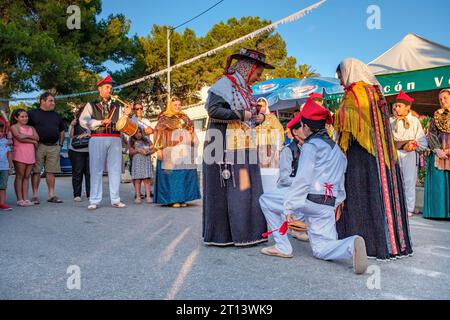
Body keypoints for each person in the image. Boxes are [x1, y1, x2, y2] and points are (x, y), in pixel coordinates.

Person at [260, 98, 368, 274]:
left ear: (305, 127)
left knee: (265, 199)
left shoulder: (311, 146)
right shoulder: (338, 151)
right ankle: (351, 244)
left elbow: (303, 180)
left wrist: (289, 208)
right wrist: (336, 203)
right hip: (326, 204)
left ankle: (283, 246)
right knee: (322, 249)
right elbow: (340, 183)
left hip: (308, 200)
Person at [334, 58, 413, 260]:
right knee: (380, 196)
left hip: (361, 155)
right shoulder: (375, 91)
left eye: (341, 77)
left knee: (360, 196)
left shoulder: (356, 91)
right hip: (382, 156)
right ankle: (390, 244)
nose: (341, 82)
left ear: (348, 72)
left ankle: (365, 243)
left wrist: (331, 116)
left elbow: (349, 119)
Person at [202, 48, 272, 247]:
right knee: (229, 187)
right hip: (223, 144)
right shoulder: (224, 84)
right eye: (258, 73)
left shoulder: (244, 90)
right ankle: (225, 235)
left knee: (246, 186)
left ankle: (248, 232)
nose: (258, 78)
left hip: (243, 144)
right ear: (249, 68)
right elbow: (214, 111)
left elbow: (246, 116)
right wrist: (244, 115)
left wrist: (258, 118)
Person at [79, 75, 131, 210]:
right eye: (107, 87)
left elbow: (121, 124)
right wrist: (100, 122)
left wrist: (126, 114)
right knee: (96, 169)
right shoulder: (91, 105)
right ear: (100, 89)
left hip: (115, 138)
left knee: (115, 169)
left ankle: (115, 199)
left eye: (111, 88)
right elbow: (83, 121)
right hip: (97, 137)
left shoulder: (117, 106)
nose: (110, 90)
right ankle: (94, 200)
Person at [260, 111, 309, 242]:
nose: (306, 131)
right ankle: (292, 230)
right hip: (290, 189)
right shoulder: (288, 151)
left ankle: (300, 225)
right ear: (295, 132)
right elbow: (285, 178)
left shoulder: (310, 148)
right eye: (303, 128)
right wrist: (303, 183)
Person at [153, 96, 201, 208]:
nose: (178, 107)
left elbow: (191, 130)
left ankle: (183, 198)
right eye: (175, 105)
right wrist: (158, 150)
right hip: (169, 150)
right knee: (173, 175)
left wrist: (194, 142)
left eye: (179, 105)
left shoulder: (185, 117)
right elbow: (158, 133)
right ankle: (173, 199)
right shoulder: (164, 118)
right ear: (170, 105)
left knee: (184, 174)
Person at [390, 91, 428, 217]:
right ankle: (395, 206)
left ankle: (409, 207)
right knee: (394, 180)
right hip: (395, 153)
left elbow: (422, 141)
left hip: (409, 154)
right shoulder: (391, 122)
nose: (396, 108)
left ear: (407, 107)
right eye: (395, 105)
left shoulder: (414, 121)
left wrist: (413, 145)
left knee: (409, 180)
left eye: (399, 105)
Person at [27, 92, 65, 204]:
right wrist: (31, 142)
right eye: (50, 100)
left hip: (54, 147)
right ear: (42, 101)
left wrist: (60, 145)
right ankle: (34, 196)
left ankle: (51, 195)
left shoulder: (56, 115)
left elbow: (62, 131)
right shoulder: (32, 113)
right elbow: (25, 127)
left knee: (51, 172)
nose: (53, 103)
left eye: (53, 101)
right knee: (36, 171)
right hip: (38, 146)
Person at [423, 88, 450, 219]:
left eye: (445, 98)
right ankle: (439, 213)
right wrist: (437, 149)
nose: (442, 101)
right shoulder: (436, 115)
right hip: (439, 151)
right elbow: (432, 133)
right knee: (440, 182)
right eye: (440, 99)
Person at [10, 109, 39, 207]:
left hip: (30, 154)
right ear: (16, 118)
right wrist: (32, 141)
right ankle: (19, 199)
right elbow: (19, 138)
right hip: (19, 153)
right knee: (20, 176)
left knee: (27, 176)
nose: (25, 118)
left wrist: (27, 136)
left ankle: (26, 198)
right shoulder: (14, 127)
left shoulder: (31, 127)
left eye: (26, 116)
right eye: (22, 116)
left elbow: (37, 138)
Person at [68, 106, 91, 202]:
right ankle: (77, 194)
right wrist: (72, 125)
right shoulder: (75, 122)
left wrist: (88, 134)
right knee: (77, 172)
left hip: (90, 150)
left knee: (90, 173)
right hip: (76, 150)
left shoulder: (92, 122)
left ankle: (90, 194)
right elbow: (71, 136)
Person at [256, 97, 285, 168]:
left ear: (266, 107)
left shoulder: (272, 118)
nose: (261, 108)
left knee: (272, 170)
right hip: (258, 150)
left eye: (263, 106)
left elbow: (279, 132)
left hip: (271, 149)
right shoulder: (254, 119)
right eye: (259, 106)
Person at [129, 127, 155, 204]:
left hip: (146, 162)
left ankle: (148, 196)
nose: (138, 134)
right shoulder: (131, 141)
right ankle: (138, 196)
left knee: (146, 180)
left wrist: (148, 151)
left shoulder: (147, 140)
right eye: (136, 133)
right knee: (137, 180)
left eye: (140, 132)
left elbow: (153, 148)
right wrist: (137, 150)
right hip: (137, 163)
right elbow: (130, 152)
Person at [0, 122, 13, 211]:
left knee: (3, 186)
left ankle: (2, 203)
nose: (0, 133)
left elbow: (9, 155)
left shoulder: (6, 142)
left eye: (1, 131)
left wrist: (10, 167)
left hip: (4, 167)